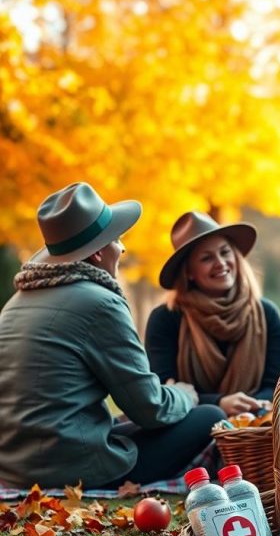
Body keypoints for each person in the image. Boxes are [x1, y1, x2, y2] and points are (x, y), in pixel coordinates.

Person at [0, 182, 225, 490]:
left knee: (123, 426)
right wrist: (185, 395)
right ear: (97, 254)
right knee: (209, 415)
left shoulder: (14, 304)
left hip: (14, 467)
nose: (121, 248)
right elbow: (149, 408)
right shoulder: (100, 302)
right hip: (71, 471)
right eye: (117, 239)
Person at [145, 212, 280, 417]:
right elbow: (163, 389)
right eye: (206, 258)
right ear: (189, 272)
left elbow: (275, 385)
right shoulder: (166, 318)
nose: (220, 263)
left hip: (255, 426)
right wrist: (218, 404)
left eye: (225, 252)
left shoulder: (266, 314)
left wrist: (249, 408)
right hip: (191, 425)